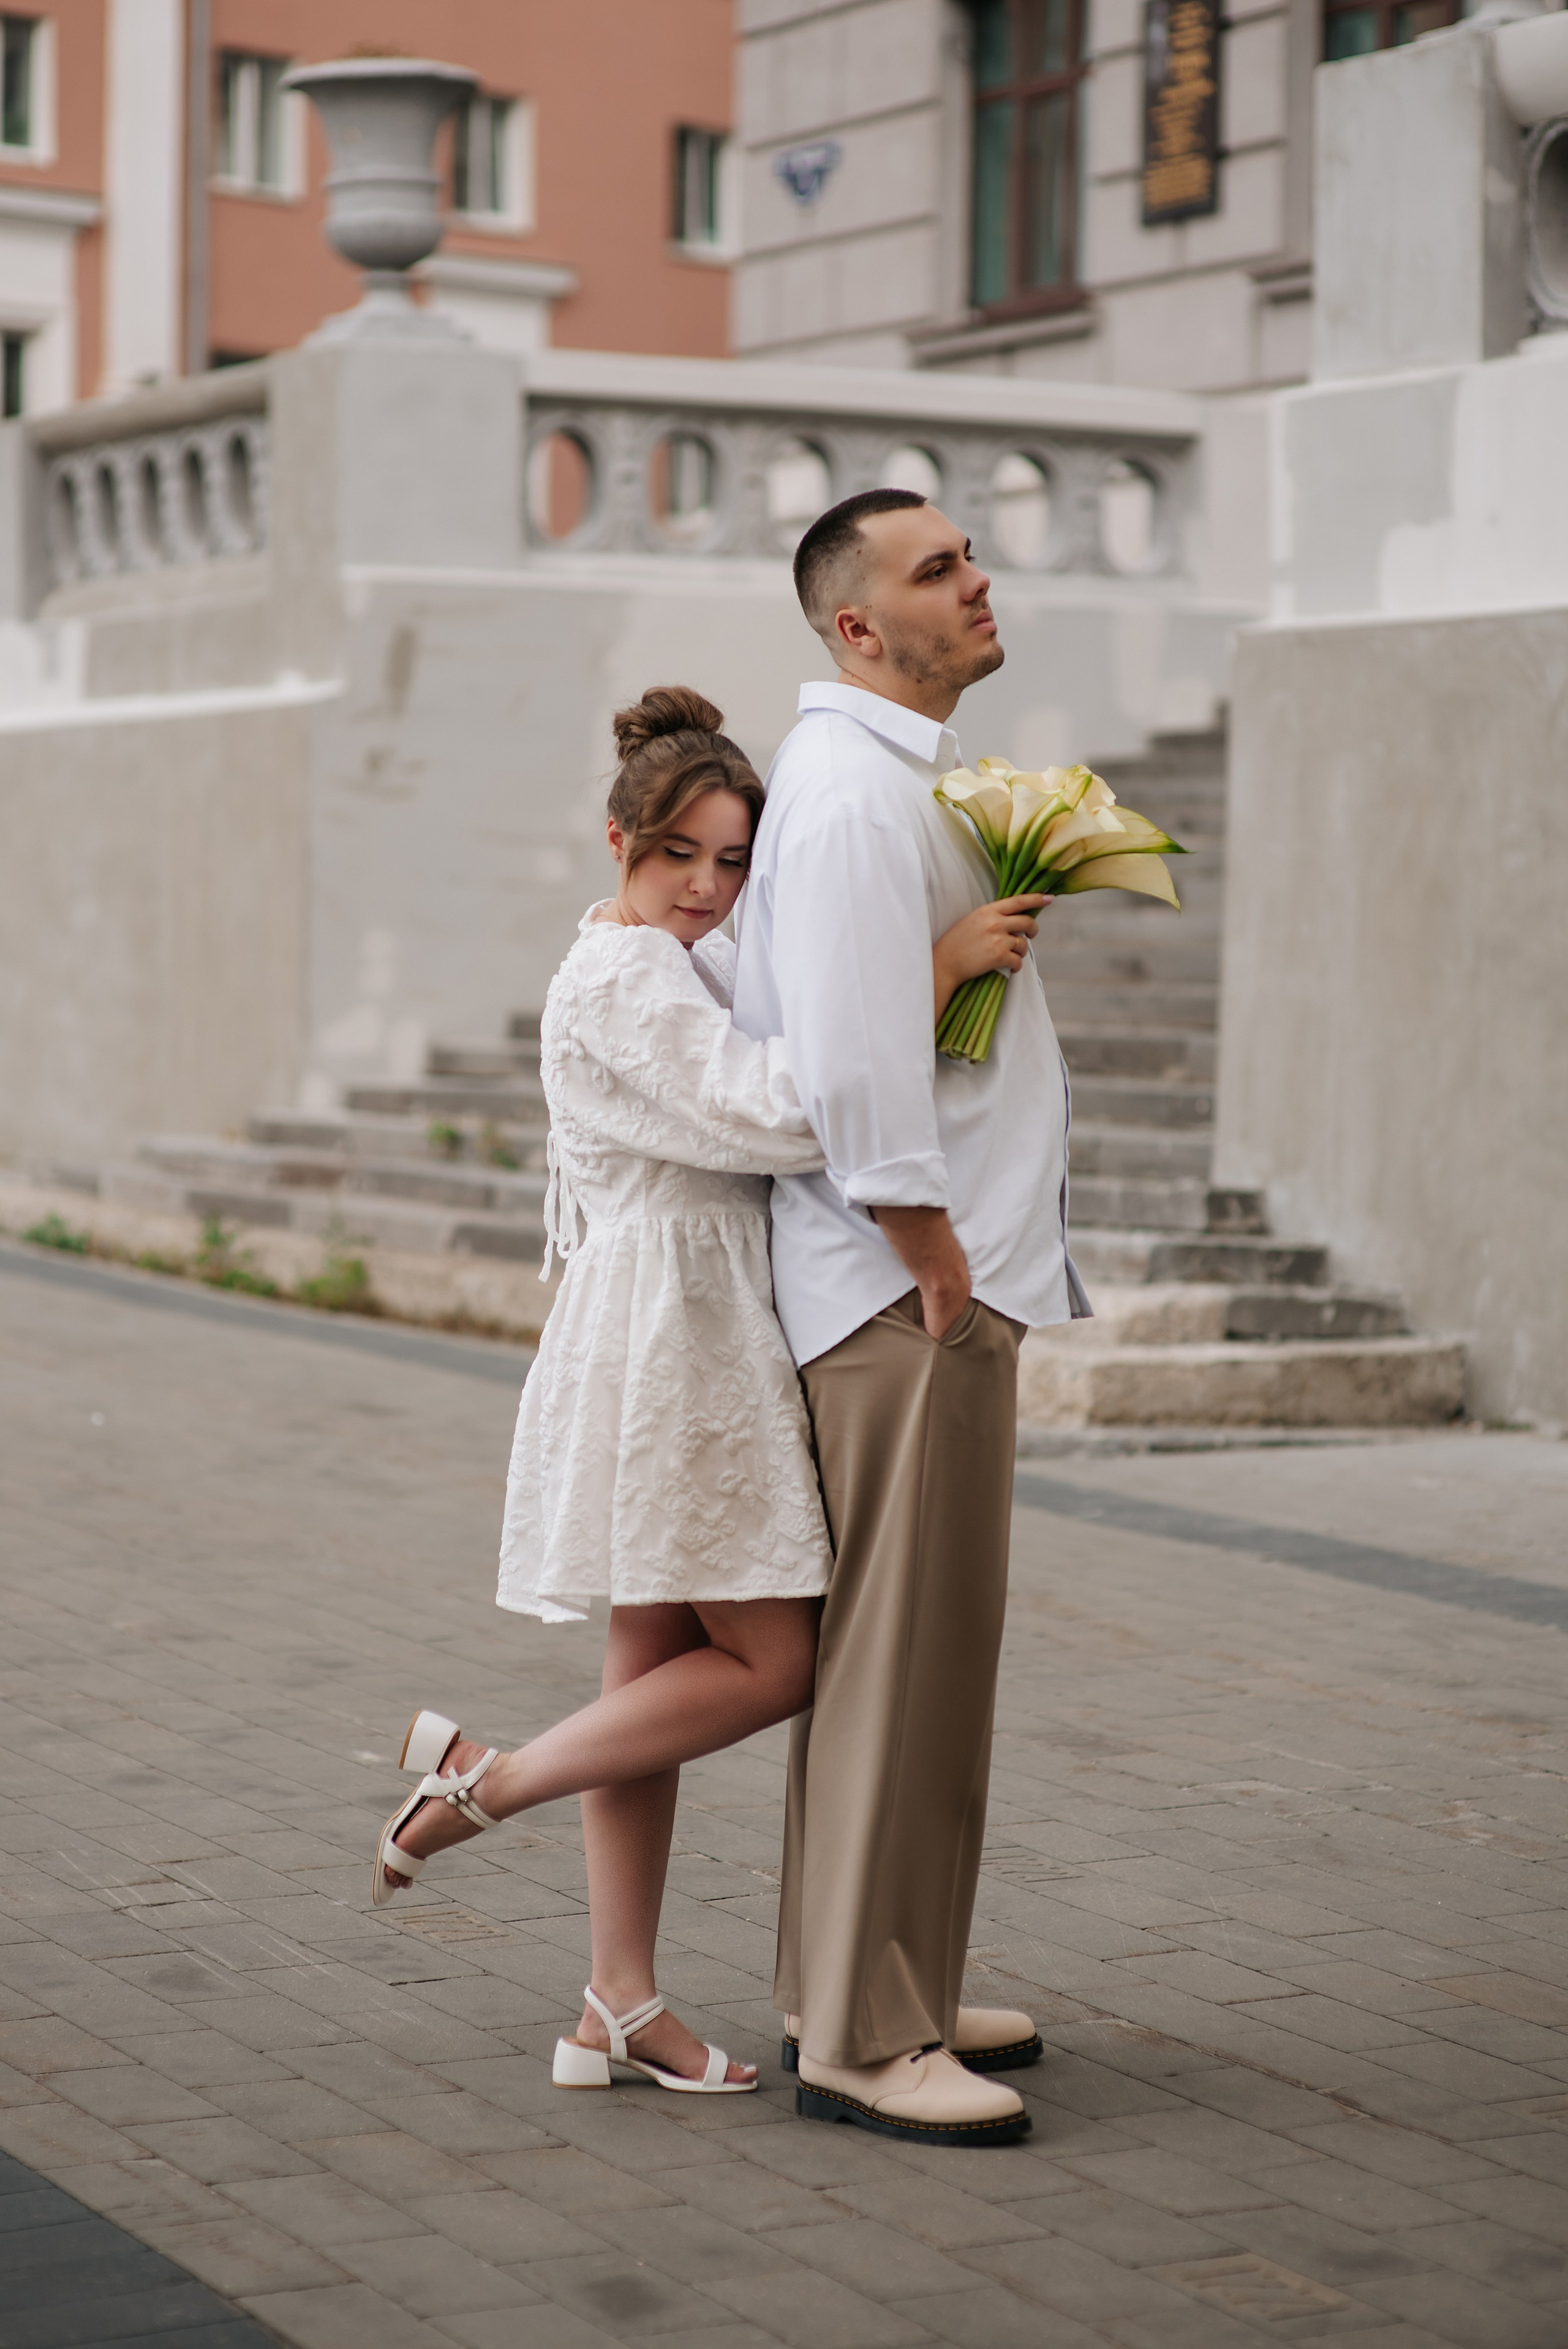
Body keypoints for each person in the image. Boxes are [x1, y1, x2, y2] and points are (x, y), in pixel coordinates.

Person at [368, 686, 1041, 2099]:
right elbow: (784, 1110)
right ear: (616, 840)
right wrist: (928, 973)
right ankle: (483, 1781)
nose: (707, 885)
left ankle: (616, 2002)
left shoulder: (675, 961)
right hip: (670, 1340)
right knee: (774, 1663)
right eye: (678, 853)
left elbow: (770, 1056)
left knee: (647, 1670)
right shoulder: (620, 977)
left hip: (681, 1318)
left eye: (731, 859)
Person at [731, 489, 1091, 2147]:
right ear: (859, 626)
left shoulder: (895, 779)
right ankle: (866, 2039)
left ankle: (878, 1976)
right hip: (905, 1286)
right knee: (900, 1656)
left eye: (970, 553)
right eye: (937, 567)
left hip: (926, 1272)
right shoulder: (856, 800)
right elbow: (858, 1054)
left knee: (928, 1656)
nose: (978, 578)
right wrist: (926, 1239)